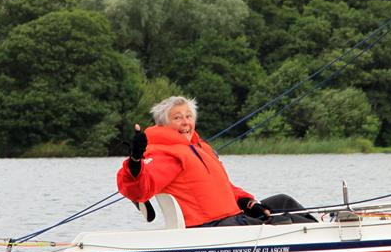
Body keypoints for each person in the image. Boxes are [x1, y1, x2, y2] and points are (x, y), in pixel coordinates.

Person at [116, 96, 315, 227]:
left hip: (232, 216)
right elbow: (140, 190)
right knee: (286, 223)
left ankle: (328, 236)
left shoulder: (199, 147)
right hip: (211, 226)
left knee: (283, 202)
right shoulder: (167, 153)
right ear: (163, 125)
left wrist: (246, 201)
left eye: (188, 116)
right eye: (177, 118)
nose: (186, 122)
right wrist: (135, 160)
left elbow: (223, 187)